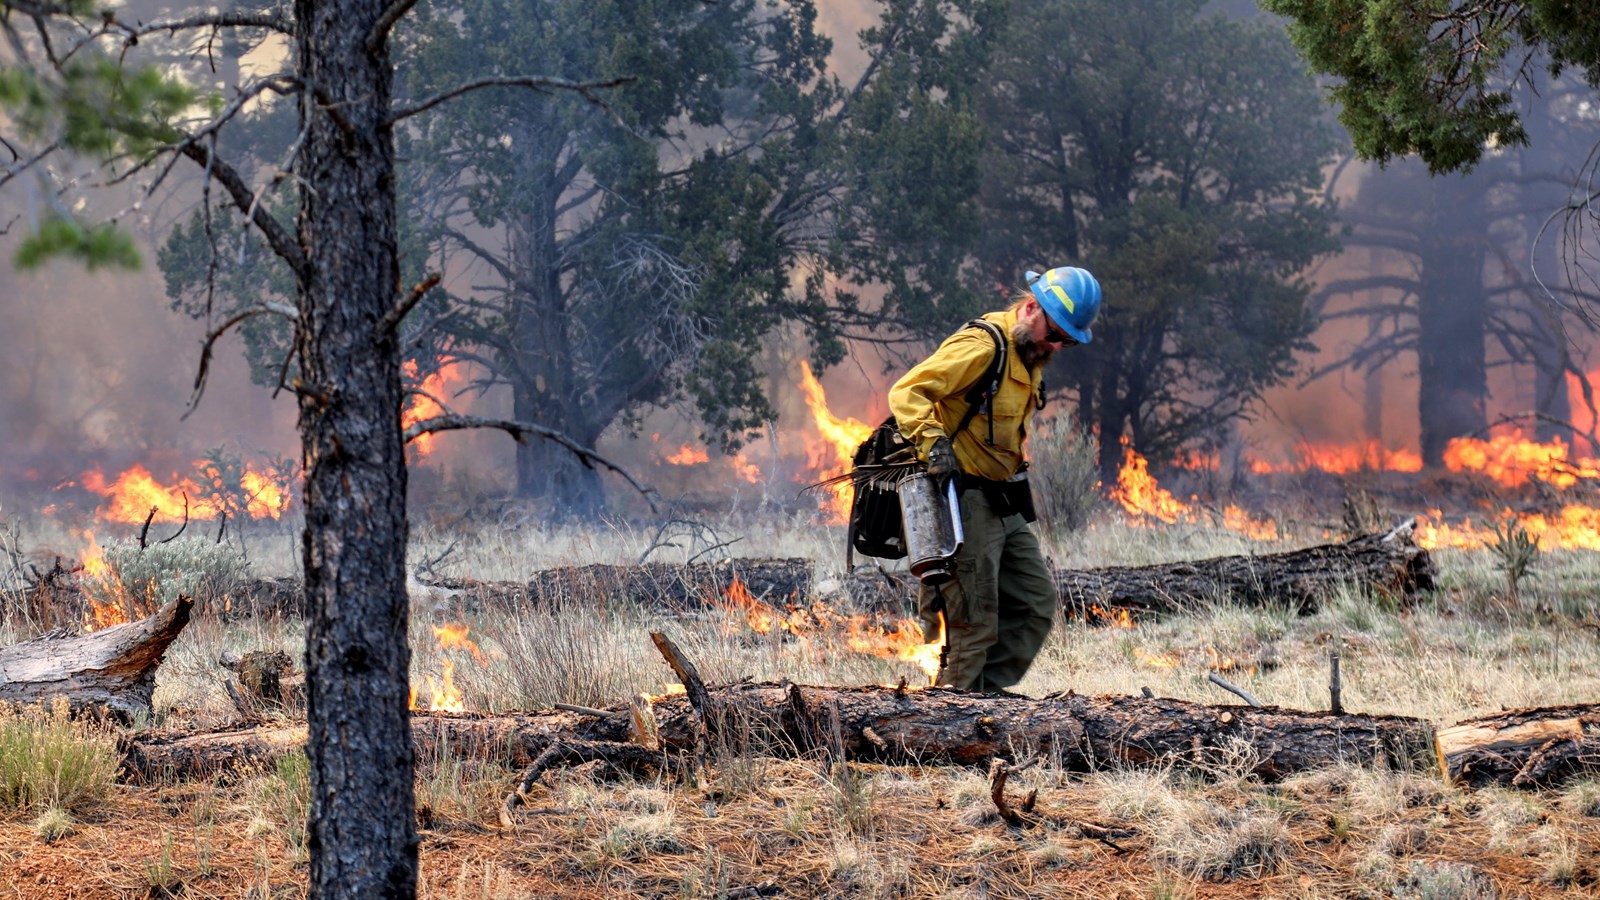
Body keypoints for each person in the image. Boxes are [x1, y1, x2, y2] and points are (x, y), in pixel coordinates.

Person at [886, 266, 1102, 692]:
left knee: (1035, 603)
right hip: (962, 499)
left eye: (1066, 341)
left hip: (1002, 499)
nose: (1056, 345)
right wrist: (934, 444)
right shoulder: (984, 346)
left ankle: (980, 700)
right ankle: (946, 722)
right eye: (1055, 333)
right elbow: (906, 392)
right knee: (974, 620)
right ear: (1031, 307)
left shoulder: (1029, 352)